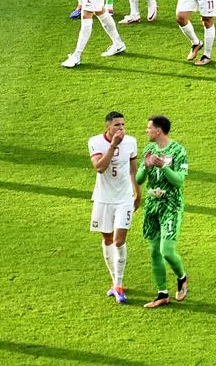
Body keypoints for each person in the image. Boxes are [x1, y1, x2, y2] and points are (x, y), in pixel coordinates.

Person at [136, 115, 189, 309]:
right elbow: (140, 179)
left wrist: (163, 167)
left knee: (166, 251)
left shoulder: (178, 151)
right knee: (153, 252)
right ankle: (162, 294)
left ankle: (182, 278)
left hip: (171, 205)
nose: (146, 131)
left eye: (149, 128)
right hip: (152, 205)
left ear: (158, 130)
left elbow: (179, 181)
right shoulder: (149, 150)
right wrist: (147, 165)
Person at [88, 111, 141, 304]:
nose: (121, 129)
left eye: (123, 125)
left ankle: (119, 285)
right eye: (117, 125)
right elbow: (100, 167)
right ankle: (114, 282)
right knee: (107, 239)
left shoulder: (131, 142)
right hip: (103, 199)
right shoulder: (95, 141)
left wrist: (137, 192)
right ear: (108, 128)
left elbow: (133, 169)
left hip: (124, 199)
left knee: (119, 241)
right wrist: (113, 146)